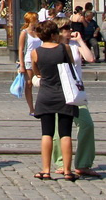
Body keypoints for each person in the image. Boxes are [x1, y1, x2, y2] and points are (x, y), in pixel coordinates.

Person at [30, 20, 79, 182]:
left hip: (46, 94)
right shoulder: (64, 48)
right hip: (65, 94)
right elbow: (71, 65)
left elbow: (37, 73)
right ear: (53, 35)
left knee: (46, 133)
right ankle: (67, 171)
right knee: (66, 134)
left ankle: (46, 170)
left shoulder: (35, 52)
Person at [50, 18, 99, 178]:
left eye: (70, 28)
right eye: (66, 28)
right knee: (58, 129)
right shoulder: (52, 46)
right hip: (58, 91)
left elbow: (90, 58)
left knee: (86, 124)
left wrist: (80, 41)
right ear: (58, 31)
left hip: (76, 91)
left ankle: (83, 163)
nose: (70, 31)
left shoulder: (74, 45)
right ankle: (60, 163)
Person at [16, 11, 40, 116]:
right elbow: (21, 49)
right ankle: (31, 108)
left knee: (41, 83)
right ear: (31, 20)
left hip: (39, 60)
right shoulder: (24, 33)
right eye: (36, 19)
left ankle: (40, 106)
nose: (38, 21)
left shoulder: (39, 32)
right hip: (29, 60)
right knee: (29, 84)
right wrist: (22, 65)